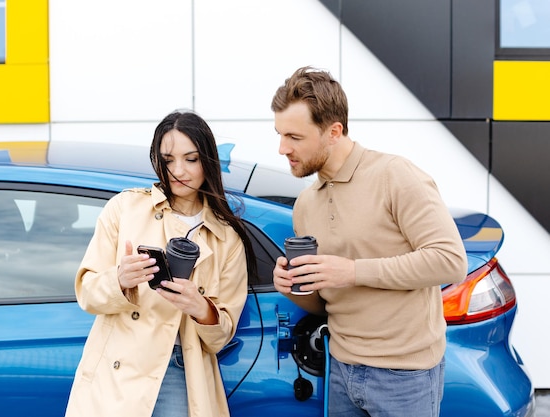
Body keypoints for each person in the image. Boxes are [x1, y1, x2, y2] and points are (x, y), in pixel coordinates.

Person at [270, 66, 468, 417]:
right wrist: (291, 287)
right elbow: (326, 300)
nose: (283, 148)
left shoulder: (395, 176)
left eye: (295, 137)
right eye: (280, 134)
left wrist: (352, 271)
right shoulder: (306, 204)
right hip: (341, 369)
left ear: (334, 131)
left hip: (404, 377)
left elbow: (450, 261)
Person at [65, 110, 256, 417]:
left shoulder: (226, 237)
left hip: (180, 369)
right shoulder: (125, 208)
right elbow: (87, 292)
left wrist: (201, 308)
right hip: (119, 370)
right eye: (168, 160)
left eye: (191, 159)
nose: (178, 170)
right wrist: (120, 279)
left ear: (207, 160)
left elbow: (222, 336)